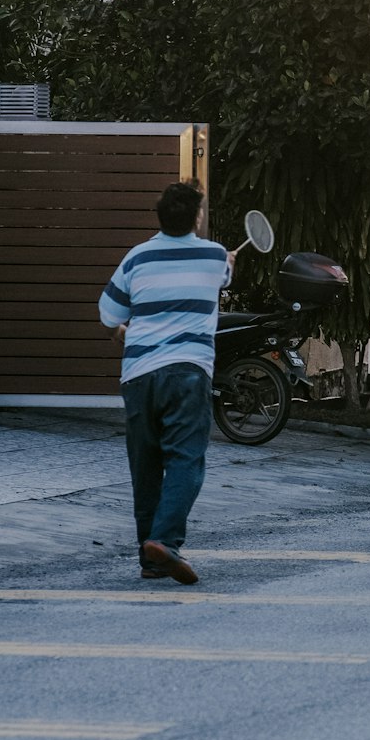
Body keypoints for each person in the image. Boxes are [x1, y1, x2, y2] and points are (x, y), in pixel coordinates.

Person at [99, 181, 234, 584]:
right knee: (185, 460)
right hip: (187, 372)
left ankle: (150, 558)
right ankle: (164, 541)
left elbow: (109, 316)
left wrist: (124, 333)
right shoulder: (213, 257)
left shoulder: (136, 258)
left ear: (159, 216)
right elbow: (225, 277)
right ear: (196, 217)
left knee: (146, 466)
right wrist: (227, 261)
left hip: (139, 376)